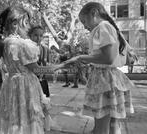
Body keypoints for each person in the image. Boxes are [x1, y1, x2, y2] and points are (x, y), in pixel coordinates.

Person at [57, 2, 134, 134]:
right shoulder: (109, 27)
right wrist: (89, 61)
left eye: (84, 21)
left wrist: (80, 58)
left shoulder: (102, 27)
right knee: (113, 124)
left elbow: (108, 58)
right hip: (110, 78)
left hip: (104, 81)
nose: (85, 26)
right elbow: (106, 57)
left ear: (94, 13)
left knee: (101, 128)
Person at [0, 6, 61, 134]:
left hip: (12, 84)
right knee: (29, 118)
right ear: (15, 24)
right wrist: (60, 66)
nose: (28, 26)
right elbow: (37, 70)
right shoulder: (22, 44)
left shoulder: (6, 42)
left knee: (17, 117)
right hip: (26, 86)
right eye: (26, 22)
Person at [28, 26, 50, 98]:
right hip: (30, 79)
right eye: (35, 35)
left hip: (41, 78)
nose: (38, 38)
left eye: (41, 36)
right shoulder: (27, 48)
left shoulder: (44, 48)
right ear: (30, 36)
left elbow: (45, 63)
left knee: (43, 100)